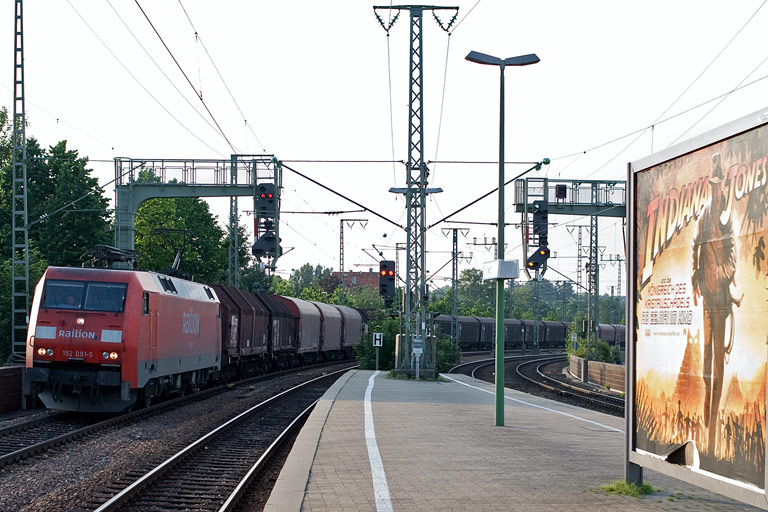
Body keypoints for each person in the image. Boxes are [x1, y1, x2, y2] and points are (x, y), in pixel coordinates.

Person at [692, 153, 741, 456]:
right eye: (713, 184)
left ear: (723, 184)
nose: (716, 188)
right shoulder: (703, 216)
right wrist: (697, 279)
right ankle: (707, 413)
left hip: (721, 297)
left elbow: (733, 259)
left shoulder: (727, 216)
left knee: (718, 361)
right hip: (707, 299)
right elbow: (695, 250)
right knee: (707, 359)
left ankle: (712, 435)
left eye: (719, 183)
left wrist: (718, 276)